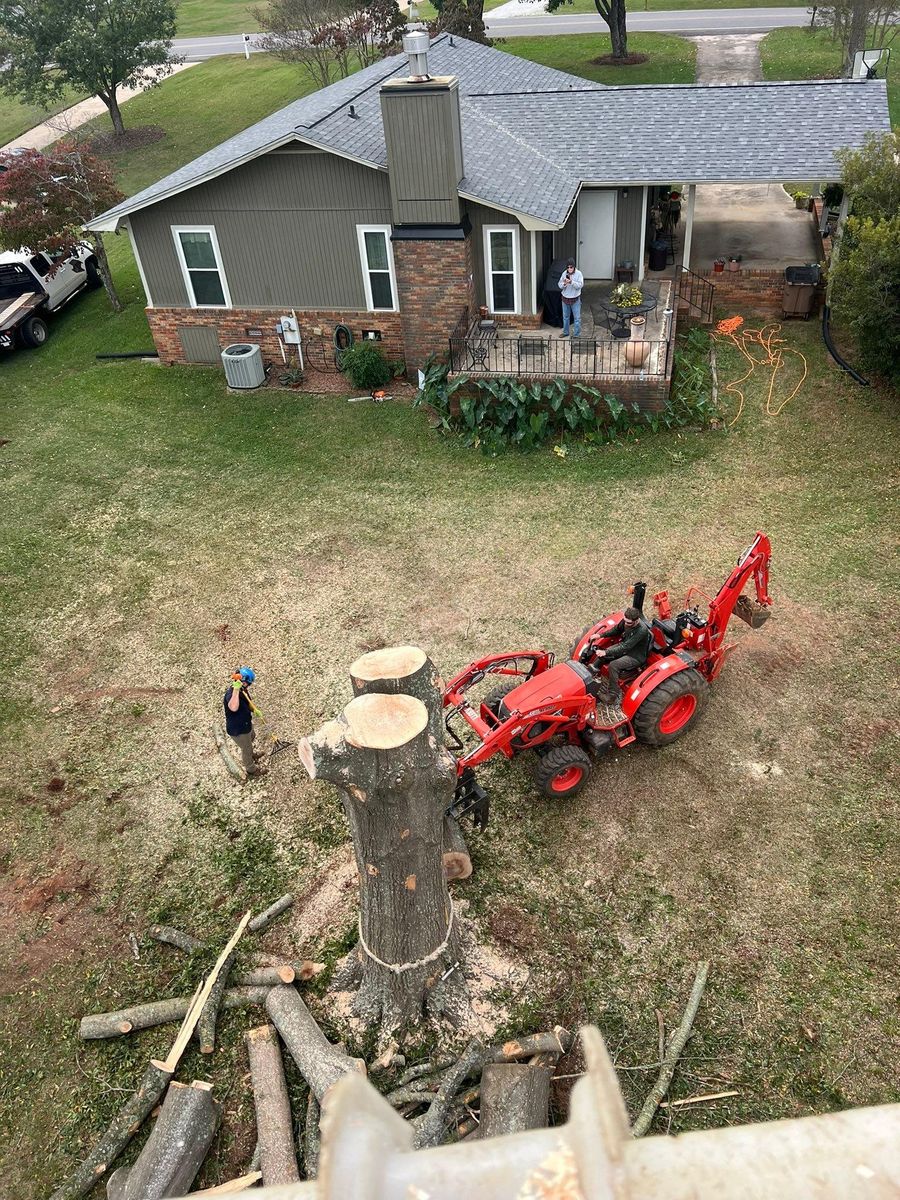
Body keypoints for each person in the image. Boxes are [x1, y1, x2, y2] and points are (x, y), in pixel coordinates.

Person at [581, 607, 652, 706]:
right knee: (604, 653)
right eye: (625, 621)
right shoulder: (627, 620)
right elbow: (616, 630)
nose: (626, 624)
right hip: (625, 647)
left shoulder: (641, 630)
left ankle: (612, 696)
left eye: (629, 623)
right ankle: (590, 674)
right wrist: (601, 636)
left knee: (614, 665)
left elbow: (626, 647)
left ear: (636, 621)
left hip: (635, 655)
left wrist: (606, 652)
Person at [224, 666, 264, 777]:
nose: (248, 685)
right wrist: (236, 689)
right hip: (238, 730)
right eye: (247, 683)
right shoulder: (231, 694)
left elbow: (247, 702)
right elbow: (233, 707)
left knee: (252, 736)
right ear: (241, 681)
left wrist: (254, 709)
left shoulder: (243, 690)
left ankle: (251, 753)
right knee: (246, 749)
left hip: (246, 724)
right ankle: (251, 769)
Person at [558, 258, 584, 338]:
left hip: (575, 299)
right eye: (568, 267)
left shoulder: (579, 274)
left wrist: (571, 282)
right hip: (565, 299)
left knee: (577, 319)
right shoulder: (564, 273)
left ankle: (576, 335)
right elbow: (559, 285)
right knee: (565, 317)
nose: (569, 269)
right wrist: (564, 284)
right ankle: (566, 332)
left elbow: (580, 285)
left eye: (571, 267)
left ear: (574, 267)